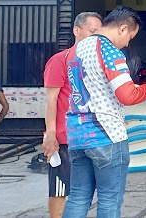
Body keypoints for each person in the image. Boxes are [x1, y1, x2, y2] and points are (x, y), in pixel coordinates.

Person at [63, 6, 146, 218]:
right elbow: (127, 95)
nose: (128, 43)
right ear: (123, 29)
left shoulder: (75, 50)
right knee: (109, 198)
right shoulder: (110, 52)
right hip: (107, 135)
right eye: (131, 36)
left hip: (77, 134)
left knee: (78, 196)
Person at [42, 12, 102, 218]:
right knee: (60, 188)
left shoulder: (96, 63)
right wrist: (50, 133)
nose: (95, 38)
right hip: (64, 136)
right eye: (92, 32)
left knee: (83, 189)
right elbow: (51, 100)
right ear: (77, 30)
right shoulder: (59, 61)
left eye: (99, 34)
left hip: (90, 135)